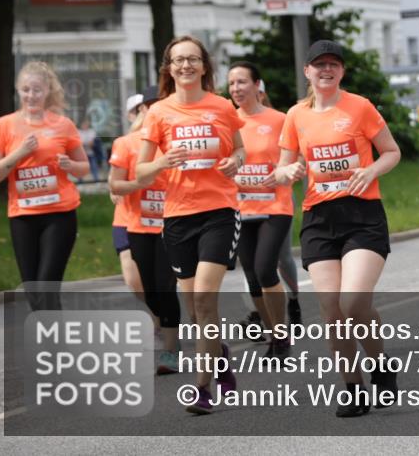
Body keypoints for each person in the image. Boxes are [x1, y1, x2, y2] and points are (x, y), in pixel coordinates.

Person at [273, 39, 402, 418]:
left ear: (341, 71)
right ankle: (352, 388)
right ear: (307, 71)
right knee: (332, 310)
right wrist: (288, 171)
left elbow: (392, 152)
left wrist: (371, 170)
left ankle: (380, 365)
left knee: (353, 302)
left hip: (362, 215)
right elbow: (282, 168)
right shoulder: (295, 115)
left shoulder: (359, 107)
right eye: (319, 64)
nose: (326, 70)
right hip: (319, 219)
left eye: (333, 64)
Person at [136, 36, 246, 414]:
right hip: (178, 216)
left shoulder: (221, 106)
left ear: (203, 66)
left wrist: (236, 161)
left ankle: (202, 389)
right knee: (194, 309)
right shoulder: (159, 113)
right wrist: (164, 162)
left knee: (203, 298)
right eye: (178, 60)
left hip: (219, 211)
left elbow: (240, 149)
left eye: (192, 59)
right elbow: (140, 170)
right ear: (169, 68)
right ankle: (220, 356)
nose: (185, 66)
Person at [0, 62, 90, 309]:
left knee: (46, 285)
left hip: (59, 215)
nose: (31, 96)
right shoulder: (5, 125)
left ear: (47, 91)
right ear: (17, 91)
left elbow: (83, 167)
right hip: (23, 216)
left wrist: (70, 166)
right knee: (33, 291)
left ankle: (52, 346)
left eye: (37, 90)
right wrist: (19, 153)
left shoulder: (62, 124)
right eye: (25, 90)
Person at [109, 86, 181, 374]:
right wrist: (140, 182)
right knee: (148, 290)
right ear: (142, 110)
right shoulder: (126, 144)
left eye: (159, 105)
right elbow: (115, 185)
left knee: (166, 286)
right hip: (138, 225)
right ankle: (162, 323)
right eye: (148, 105)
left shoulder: (176, 143)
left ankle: (170, 349)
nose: (153, 110)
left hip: (172, 225)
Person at [228, 62, 296, 357]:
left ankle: (280, 334)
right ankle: (274, 335)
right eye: (231, 84)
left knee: (266, 267)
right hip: (240, 207)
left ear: (258, 86)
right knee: (253, 276)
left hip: (275, 204)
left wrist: (286, 170)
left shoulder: (280, 119)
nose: (236, 89)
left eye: (242, 82)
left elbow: (298, 157)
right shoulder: (226, 121)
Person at [108, 94, 147, 303]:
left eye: (141, 109)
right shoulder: (124, 143)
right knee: (132, 278)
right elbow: (113, 180)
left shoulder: (164, 141)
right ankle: (156, 317)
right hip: (126, 217)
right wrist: (114, 188)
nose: (138, 115)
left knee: (157, 279)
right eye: (135, 111)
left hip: (157, 219)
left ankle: (163, 321)